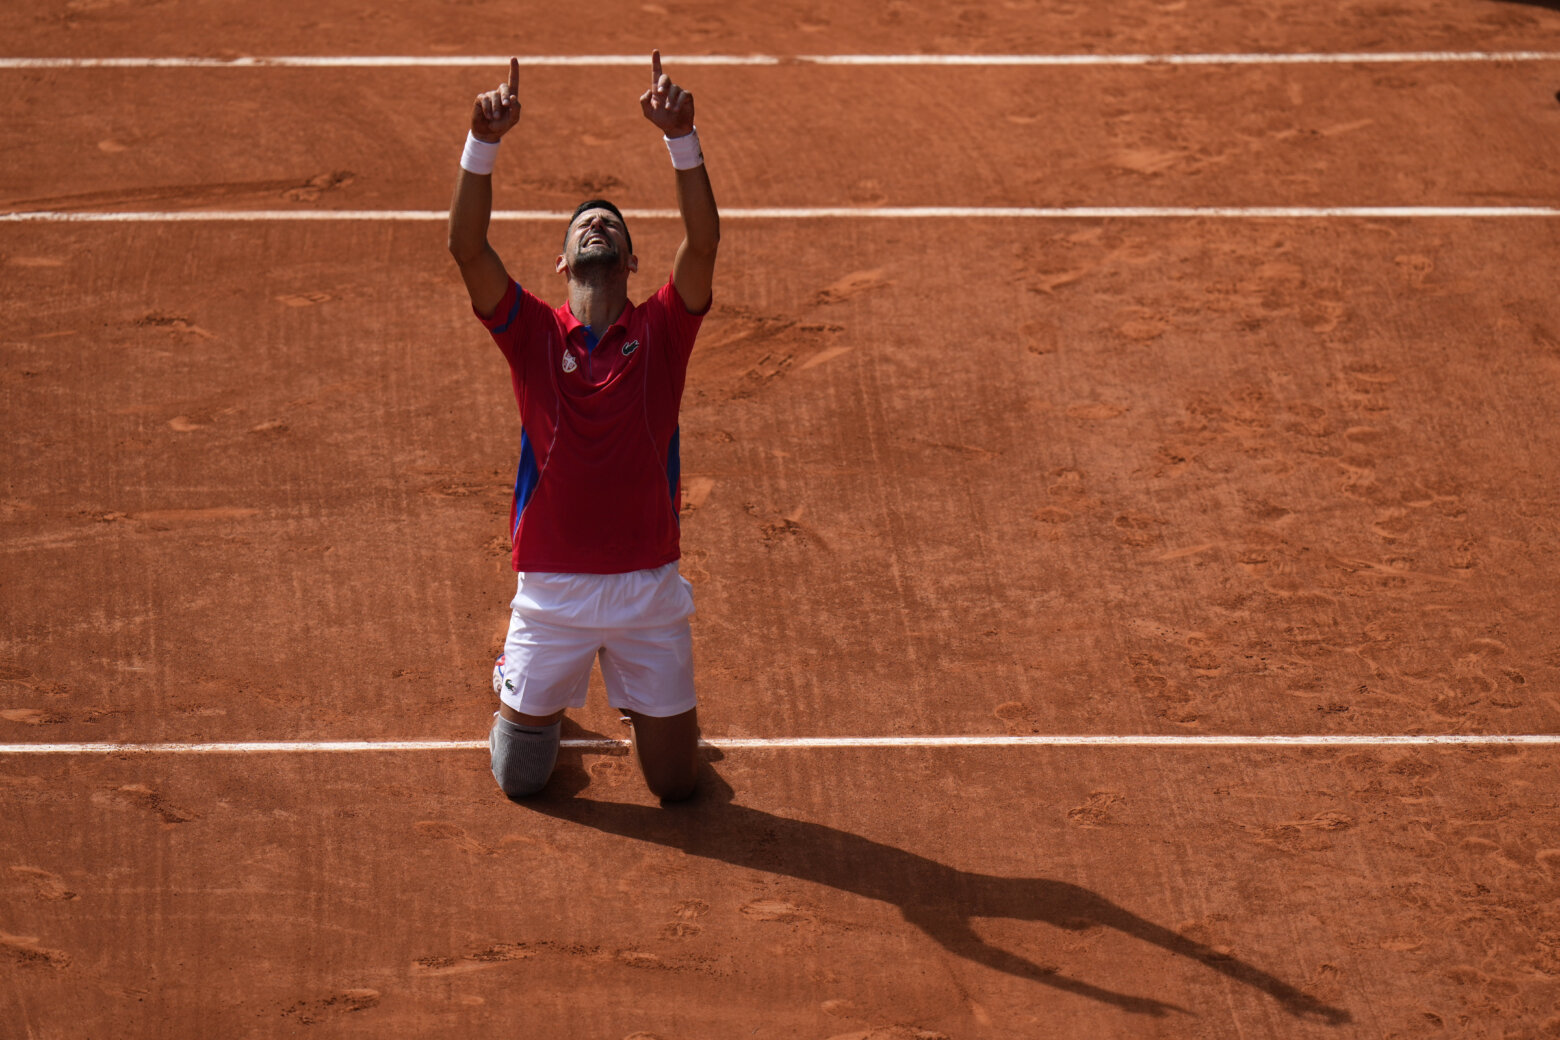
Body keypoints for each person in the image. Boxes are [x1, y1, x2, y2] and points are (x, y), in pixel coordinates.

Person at [447, 51, 719, 802]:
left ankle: (641, 708)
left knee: (677, 788)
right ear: (562, 265)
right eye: (582, 224)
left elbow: (703, 246)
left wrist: (681, 140)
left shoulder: (663, 330)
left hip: (646, 589)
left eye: (609, 224)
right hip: (553, 592)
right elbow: (467, 249)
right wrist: (482, 143)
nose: (595, 223)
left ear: (631, 261)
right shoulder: (532, 332)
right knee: (520, 779)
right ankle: (522, 683)